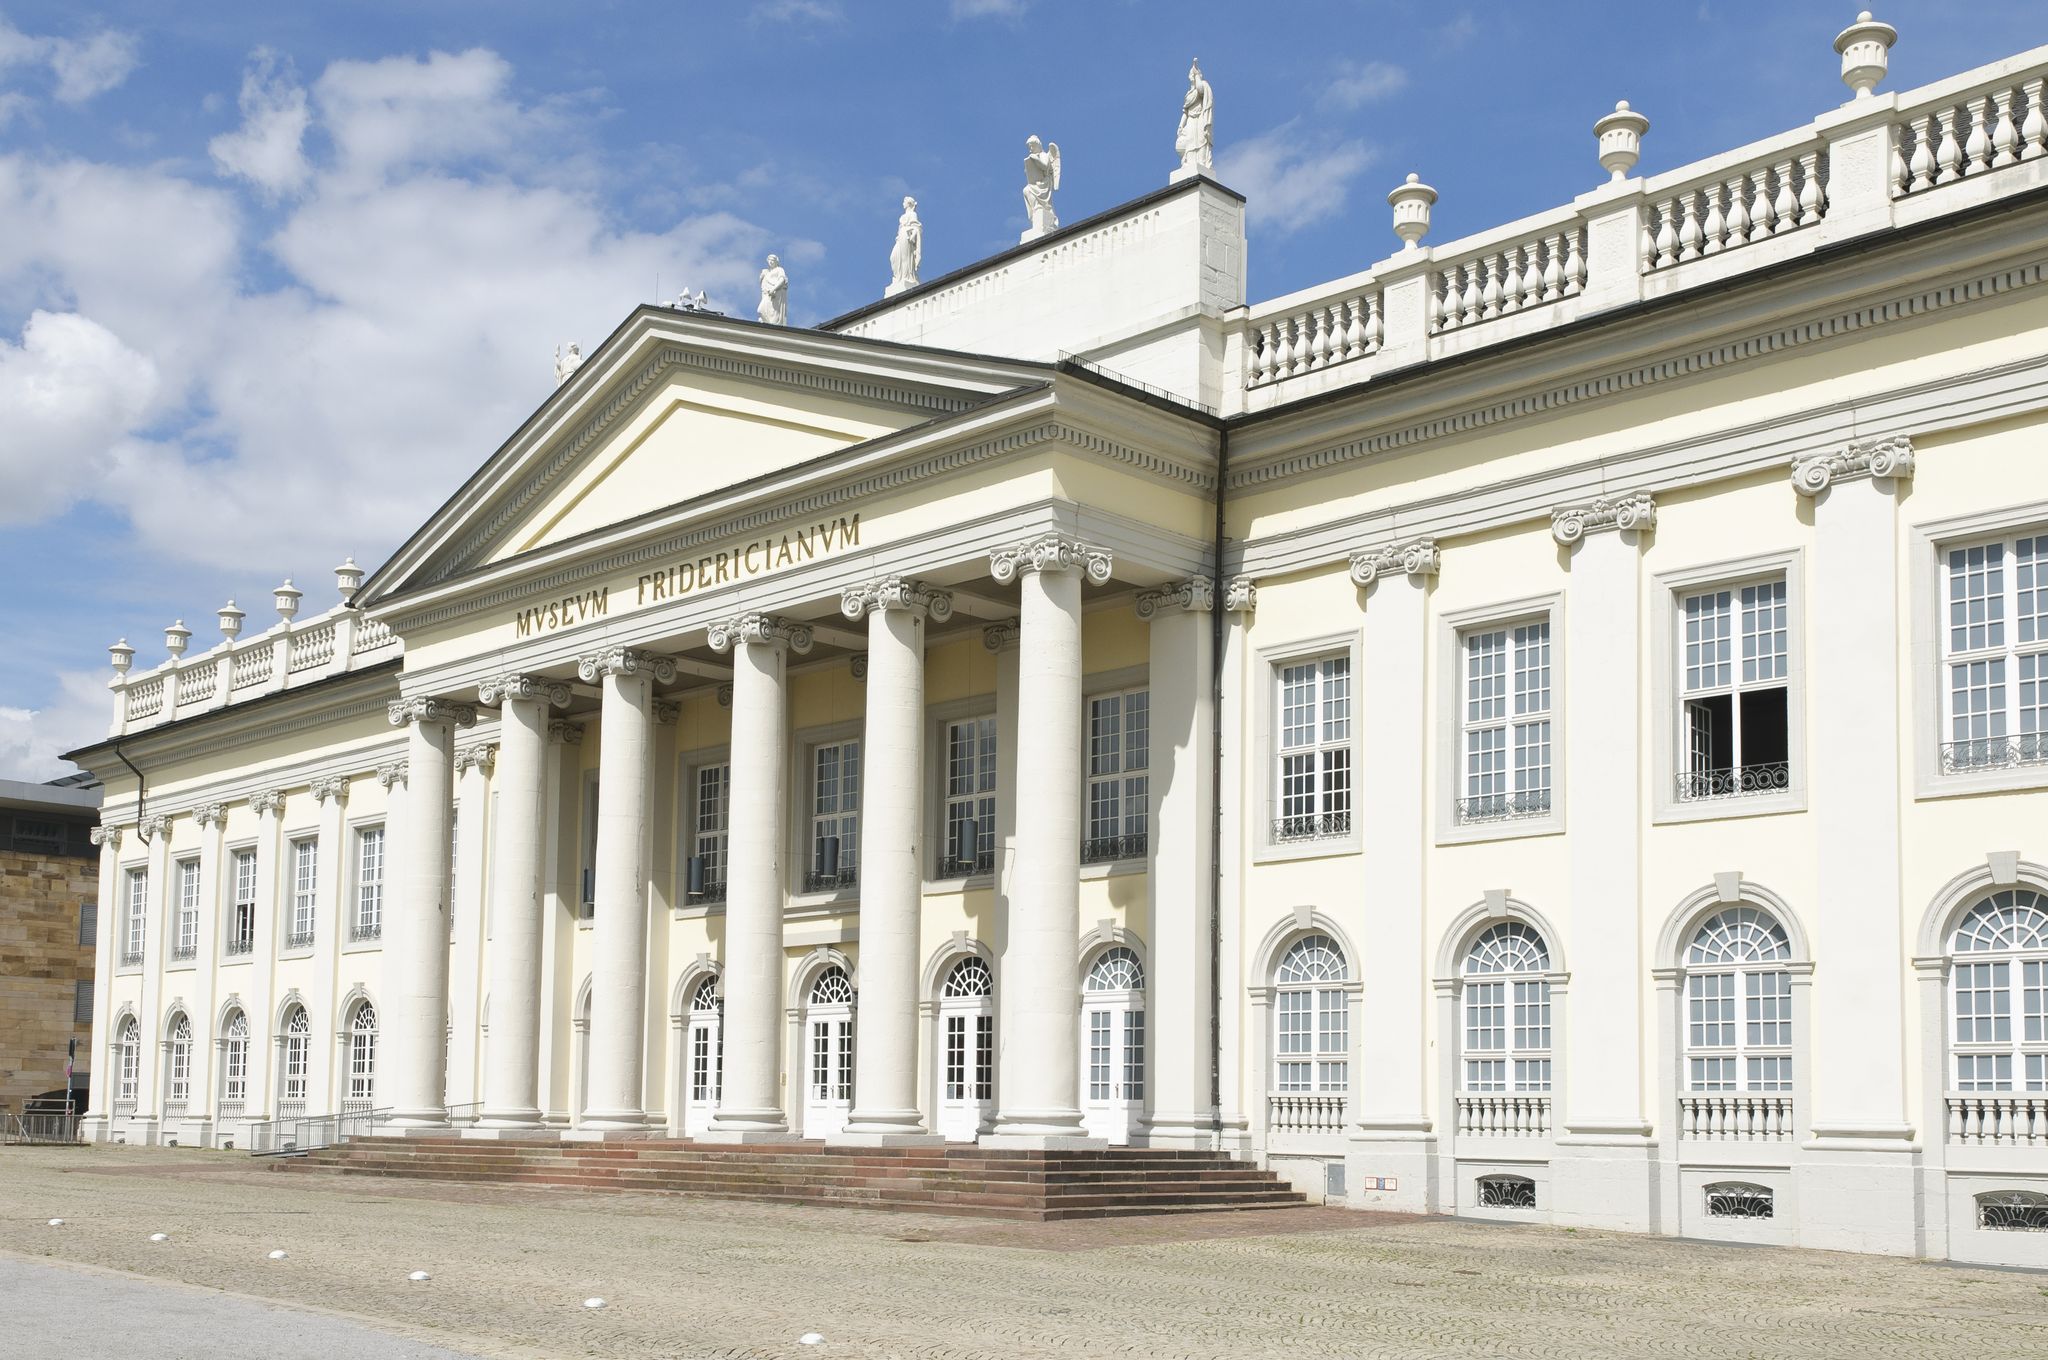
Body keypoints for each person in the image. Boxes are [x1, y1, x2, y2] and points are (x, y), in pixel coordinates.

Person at [1175, 59, 1214, 177]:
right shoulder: (1188, 94)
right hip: (1191, 120)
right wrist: (1181, 125)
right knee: (1190, 142)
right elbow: (1185, 112)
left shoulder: (1202, 86)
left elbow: (1201, 90)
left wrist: (1197, 75)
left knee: (1201, 141)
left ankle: (1201, 162)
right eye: (1191, 75)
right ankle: (1189, 163)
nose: (1191, 76)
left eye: (1193, 74)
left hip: (1200, 118)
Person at [887, 197, 922, 296]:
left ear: (909, 204)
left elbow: (917, 228)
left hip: (907, 237)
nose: (903, 203)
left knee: (905, 258)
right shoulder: (904, 216)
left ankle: (907, 277)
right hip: (900, 238)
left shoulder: (913, 214)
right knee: (893, 257)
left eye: (904, 202)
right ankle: (899, 277)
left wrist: (913, 235)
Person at [758, 254, 789, 325]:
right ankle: (767, 323)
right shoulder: (766, 272)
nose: (771, 262)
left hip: (776, 293)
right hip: (767, 294)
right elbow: (762, 284)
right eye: (769, 260)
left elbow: (782, 280)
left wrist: (773, 289)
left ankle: (773, 326)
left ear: (776, 262)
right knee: (761, 310)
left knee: (773, 313)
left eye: (773, 260)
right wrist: (762, 276)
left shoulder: (779, 269)